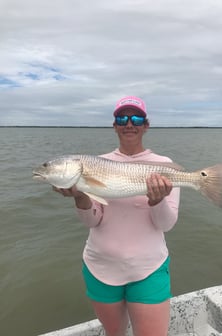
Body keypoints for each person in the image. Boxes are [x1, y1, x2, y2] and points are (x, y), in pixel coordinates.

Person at [54, 96, 180, 336]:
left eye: (136, 118)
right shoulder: (97, 163)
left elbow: (166, 224)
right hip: (99, 267)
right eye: (122, 118)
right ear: (114, 125)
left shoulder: (164, 166)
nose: (129, 124)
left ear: (146, 124)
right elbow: (93, 220)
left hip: (149, 269)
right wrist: (80, 197)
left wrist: (157, 200)